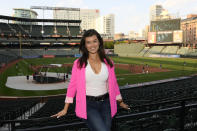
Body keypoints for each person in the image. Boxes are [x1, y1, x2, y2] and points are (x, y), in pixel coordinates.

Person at [51, 29, 129, 131]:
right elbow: (72, 86)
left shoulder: (109, 62)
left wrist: (120, 102)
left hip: (107, 103)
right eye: (88, 42)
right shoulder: (78, 63)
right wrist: (65, 108)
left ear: (99, 42)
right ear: (85, 45)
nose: (92, 45)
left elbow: (114, 84)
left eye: (94, 41)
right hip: (88, 105)